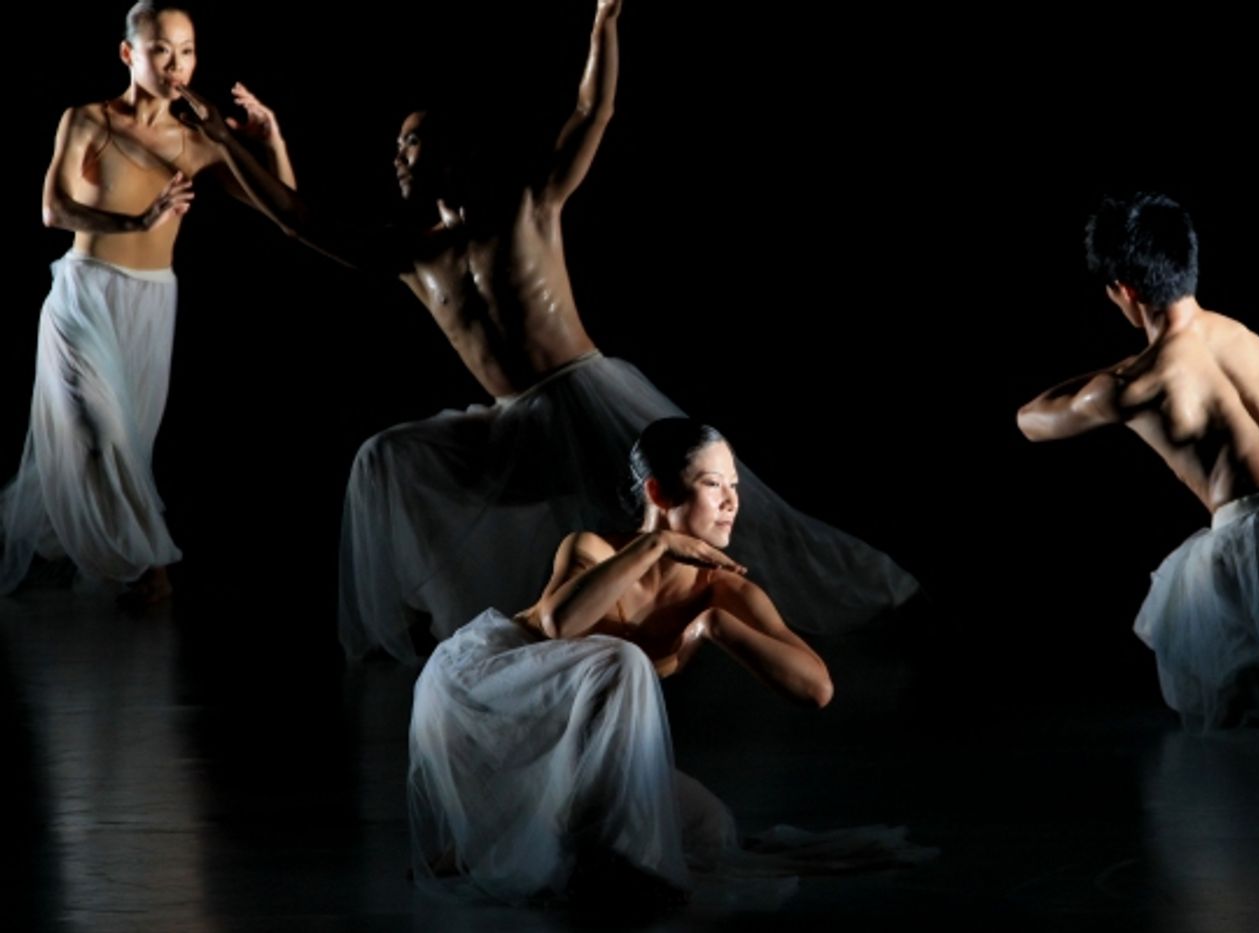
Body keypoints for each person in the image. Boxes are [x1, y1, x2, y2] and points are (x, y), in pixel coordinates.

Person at [174, 0, 918, 660]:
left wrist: (603, 21)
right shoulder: (411, 253)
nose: (399, 158)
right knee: (384, 456)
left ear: (452, 151)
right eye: (398, 148)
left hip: (588, 395)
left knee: (714, 504)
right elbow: (299, 220)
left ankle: (860, 597)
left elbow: (590, 115)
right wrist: (226, 136)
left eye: (413, 143)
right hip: (515, 422)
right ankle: (469, 620)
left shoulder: (528, 208)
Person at [408, 419, 931, 906]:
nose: (730, 503)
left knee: (707, 829)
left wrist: (714, 626)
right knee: (620, 659)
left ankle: (512, 841)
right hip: (485, 693)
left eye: (735, 487)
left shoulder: (723, 591)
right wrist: (657, 543)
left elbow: (816, 689)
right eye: (712, 485)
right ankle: (516, 843)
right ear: (658, 492)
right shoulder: (590, 548)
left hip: (570, 740)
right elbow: (558, 625)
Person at [1017, 192, 1259, 739]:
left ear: (1125, 291)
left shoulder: (1133, 386)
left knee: (1245, 704)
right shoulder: (1241, 334)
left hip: (1257, 538)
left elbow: (1029, 421)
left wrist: (1121, 369)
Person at [0, 2, 296, 603]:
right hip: (84, 293)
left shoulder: (197, 140)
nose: (175, 63)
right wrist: (137, 220)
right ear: (129, 54)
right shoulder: (87, 119)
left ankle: (57, 544)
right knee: (100, 429)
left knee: (125, 445)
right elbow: (53, 210)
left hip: (153, 303)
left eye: (186, 50)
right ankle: (149, 566)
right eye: (160, 49)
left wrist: (273, 141)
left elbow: (287, 212)